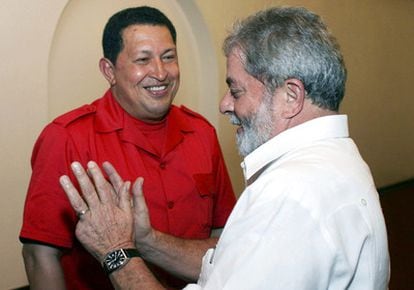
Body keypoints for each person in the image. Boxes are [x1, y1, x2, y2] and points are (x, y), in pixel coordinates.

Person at [60, 6, 390, 290]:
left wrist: (116, 251)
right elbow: (225, 266)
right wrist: (145, 240)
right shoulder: (335, 160)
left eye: (236, 90)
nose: (224, 105)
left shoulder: (290, 194)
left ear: (291, 96)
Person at [20, 6, 236, 290]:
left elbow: (225, 236)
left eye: (168, 57)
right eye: (143, 60)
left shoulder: (202, 132)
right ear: (109, 70)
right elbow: (40, 254)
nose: (160, 73)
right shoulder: (67, 138)